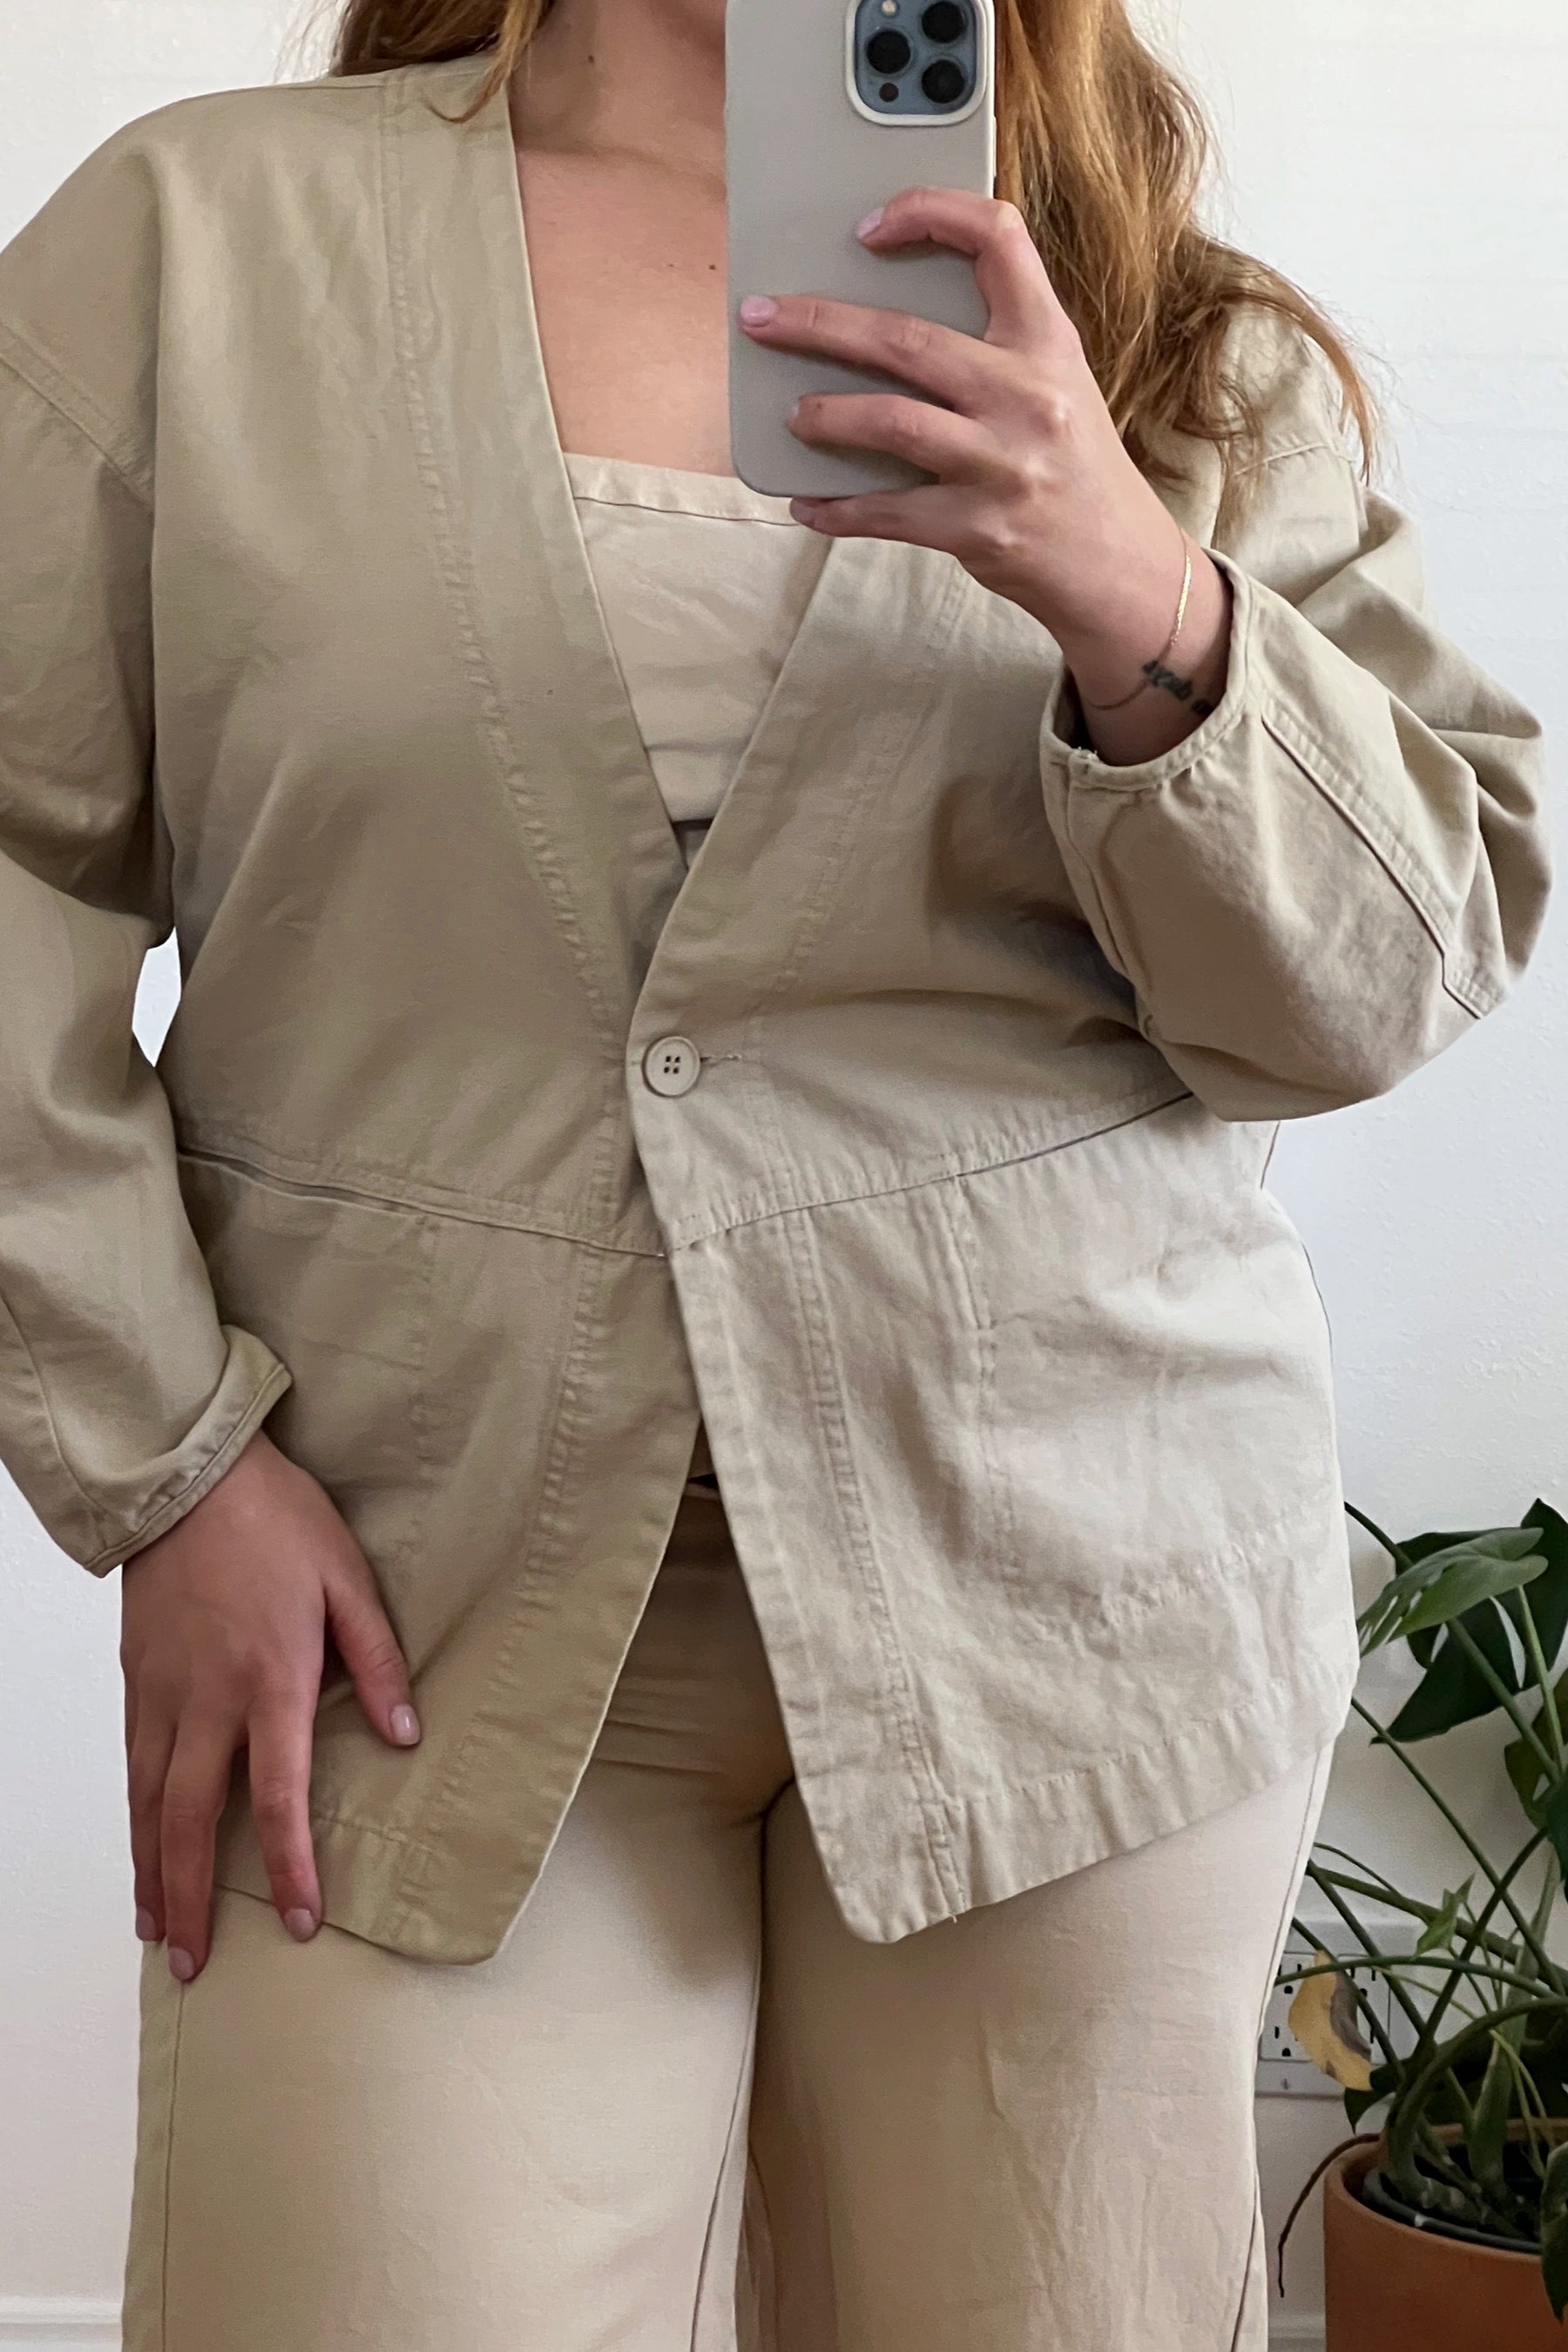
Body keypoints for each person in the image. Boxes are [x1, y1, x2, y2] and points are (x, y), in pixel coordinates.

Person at [0, 0, 1549, 2345]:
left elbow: (1384, 981)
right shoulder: (202, 249)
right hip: (404, 1594)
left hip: (1075, 1605)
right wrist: (168, 1462)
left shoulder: (1163, 332)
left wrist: (1139, 596)